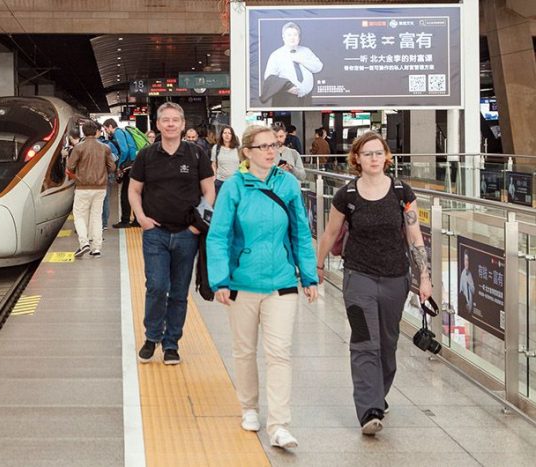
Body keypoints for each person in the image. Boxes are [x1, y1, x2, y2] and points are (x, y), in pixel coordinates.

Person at [207, 124, 318, 450]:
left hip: (281, 283)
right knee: (244, 351)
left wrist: (308, 276)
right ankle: (249, 408)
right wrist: (219, 280)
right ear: (247, 152)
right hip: (242, 284)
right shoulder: (234, 187)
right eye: (263, 146)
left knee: (279, 353)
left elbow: (300, 232)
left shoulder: (288, 184)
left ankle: (279, 425)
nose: (271, 151)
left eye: (274, 145)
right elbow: (218, 236)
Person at [314, 131, 432, 437]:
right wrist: (318, 265)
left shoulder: (402, 192)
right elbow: (330, 232)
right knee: (364, 341)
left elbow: (414, 236)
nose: (374, 158)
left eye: (379, 152)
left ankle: (379, 393)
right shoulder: (347, 195)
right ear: (357, 158)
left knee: (387, 344)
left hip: (395, 278)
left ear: (387, 156)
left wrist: (424, 276)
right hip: (358, 278)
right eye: (367, 154)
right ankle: (369, 409)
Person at [130, 102, 216, 365]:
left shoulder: (196, 154)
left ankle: (171, 344)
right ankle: (151, 336)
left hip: (187, 234)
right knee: (156, 286)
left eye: (175, 120)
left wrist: (196, 226)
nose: (170, 124)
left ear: (182, 124)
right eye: (165, 120)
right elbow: (134, 190)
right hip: (155, 233)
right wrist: (141, 218)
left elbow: (209, 191)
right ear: (157, 124)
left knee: (179, 291)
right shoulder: (146, 155)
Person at [67, 121, 116, 258]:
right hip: (100, 187)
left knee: (79, 216)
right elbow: (112, 167)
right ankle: (96, 249)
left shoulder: (78, 148)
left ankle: (84, 243)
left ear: (83, 132)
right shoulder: (105, 148)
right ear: (96, 132)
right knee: (96, 216)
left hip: (82, 187)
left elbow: (70, 167)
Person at [261, 22, 323, 107]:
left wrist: (302, 61)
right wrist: (287, 88)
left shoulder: (306, 51)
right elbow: (269, 77)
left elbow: (318, 67)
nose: (292, 38)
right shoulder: (276, 55)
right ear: (283, 37)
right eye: (289, 35)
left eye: (295, 35)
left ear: (299, 37)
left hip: (306, 99)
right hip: (286, 98)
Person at [104, 119, 137, 229]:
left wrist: (119, 166)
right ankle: (137, 220)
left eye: (106, 129)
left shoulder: (118, 132)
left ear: (110, 126)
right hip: (134, 164)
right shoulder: (124, 132)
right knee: (133, 193)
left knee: (125, 194)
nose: (106, 131)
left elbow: (125, 150)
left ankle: (125, 221)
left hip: (129, 166)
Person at [211, 125, 241, 195]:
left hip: (235, 181)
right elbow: (213, 164)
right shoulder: (216, 148)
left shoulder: (238, 149)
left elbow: (242, 164)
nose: (227, 135)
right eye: (225, 133)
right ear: (221, 135)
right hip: (220, 182)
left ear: (232, 135)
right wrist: (214, 177)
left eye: (229, 133)